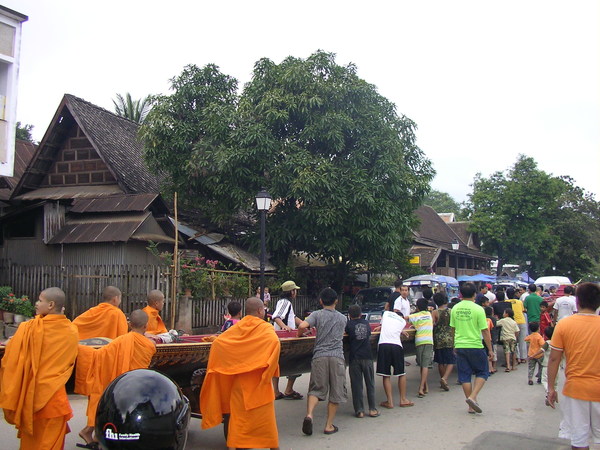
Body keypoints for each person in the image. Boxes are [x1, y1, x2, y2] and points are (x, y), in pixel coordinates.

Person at [0, 287, 79, 449]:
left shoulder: (28, 329)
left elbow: (10, 358)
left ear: (50, 305)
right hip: (54, 400)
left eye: (39, 300)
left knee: (31, 444)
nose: (36, 303)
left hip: (30, 397)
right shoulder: (71, 330)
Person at [201, 297, 280, 450]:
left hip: (239, 386)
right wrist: (268, 374)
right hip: (258, 384)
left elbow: (220, 343)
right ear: (259, 311)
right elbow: (274, 345)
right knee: (265, 424)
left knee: (238, 421)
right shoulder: (265, 329)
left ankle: (234, 446)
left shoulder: (238, 327)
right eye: (263, 309)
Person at [77, 309, 157, 447]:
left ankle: (94, 432)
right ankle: (95, 433)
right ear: (146, 326)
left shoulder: (120, 341)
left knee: (105, 397)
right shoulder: (149, 345)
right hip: (133, 384)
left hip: (119, 381)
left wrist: (77, 348)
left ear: (129, 324)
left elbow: (99, 356)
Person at [547, 282, 600, 449]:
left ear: (577, 301)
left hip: (575, 389)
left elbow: (554, 359)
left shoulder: (564, 325)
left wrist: (550, 388)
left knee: (578, 440)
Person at [298, 288, 347, 436]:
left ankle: (309, 415)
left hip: (320, 356)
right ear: (336, 301)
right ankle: (329, 425)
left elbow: (301, 326)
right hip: (337, 356)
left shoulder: (317, 315)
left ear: (320, 301)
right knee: (336, 391)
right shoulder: (343, 318)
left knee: (316, 389)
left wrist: (301, 334)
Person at [449, 282, 493, 414]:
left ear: (461, 294)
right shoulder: (478, 309)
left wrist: (454, 344)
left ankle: (470, 404)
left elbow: (452, 329)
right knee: (483, 372)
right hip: (475, 345)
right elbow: (485, 331)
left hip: (460, 345)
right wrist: (490, 349)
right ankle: (472, 397)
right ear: (475, 294)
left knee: (465, 375)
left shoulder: (455, 308)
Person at [373, 308, 413, 410]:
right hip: (397, 346)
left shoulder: (386, 314)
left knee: (386, 375)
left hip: (384, 345)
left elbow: (385, 326)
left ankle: (390, 401)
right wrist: (402, 331)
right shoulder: (402, 321)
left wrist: (380, 327)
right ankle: (403, 399)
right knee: (401, 373)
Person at [272, 280, 304, 400]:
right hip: (286, 338)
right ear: (292, 291)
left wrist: (305, 324)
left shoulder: (284, 302)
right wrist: (284, 326)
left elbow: (293, 317)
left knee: (277, 364)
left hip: (281, 337)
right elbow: (276, 316)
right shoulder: (285, 303)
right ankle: (288, 389)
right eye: (295, 290)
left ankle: (277, 391)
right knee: (294, 362)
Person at [345, 305, 378, 418]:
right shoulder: (366, 323)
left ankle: (359, 410)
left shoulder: (348, 325)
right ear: (360, 314)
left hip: (355, 357)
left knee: (356, 385)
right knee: (370, 384)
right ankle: (372, 409)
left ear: (349, 315)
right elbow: (368, 334)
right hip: (368, 356)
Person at [408, 298, 434, 397]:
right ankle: (423, 386)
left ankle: (423, 386)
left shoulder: (415, 316)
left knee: (421, 365)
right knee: (425, 365)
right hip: (428, 341)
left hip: (419, 341)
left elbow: (405, 317)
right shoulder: (429, 315)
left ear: (417, 307)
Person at [432, 292, 455, 391]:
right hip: (450, 337)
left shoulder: (434, 312)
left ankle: (443, 380)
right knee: (451, 360)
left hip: (438, 338)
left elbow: (432, 324)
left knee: (440, 361)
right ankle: (445, 378)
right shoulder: (451, 311)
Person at [506, 287, 528, 364]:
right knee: (522, 340)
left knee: (514, 341)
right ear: (515, 294)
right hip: (522, 321)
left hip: (512, 323)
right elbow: (523, 310)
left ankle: (517, 357)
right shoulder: (519, 302)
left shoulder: (506, 302)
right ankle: (523, 358)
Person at [485, 306, 498, 374]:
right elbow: (493, 328)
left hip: (484, 338)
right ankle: (493, 367)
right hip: (492, 337)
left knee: (487, 353)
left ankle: (489, 368)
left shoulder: (484, 319)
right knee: (493, 353)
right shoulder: (493, 319)